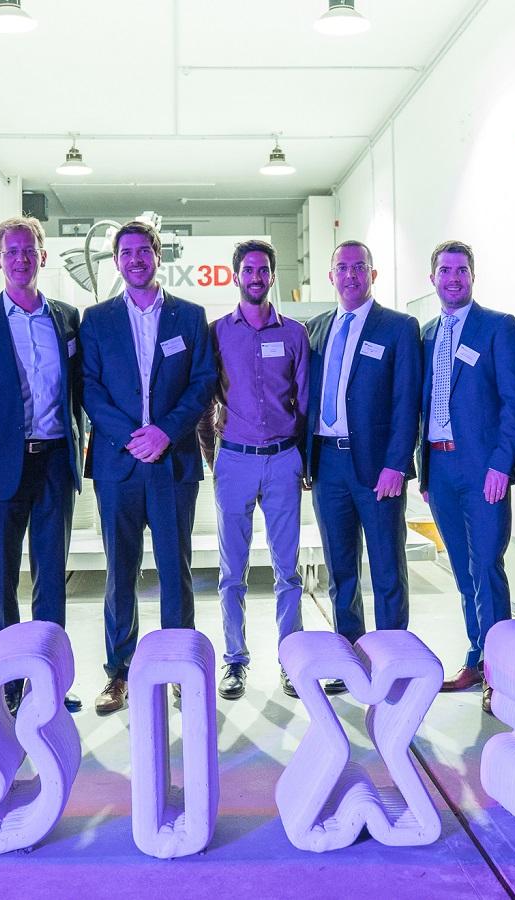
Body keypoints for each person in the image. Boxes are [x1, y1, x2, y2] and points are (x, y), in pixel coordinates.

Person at [80, 220, 217, 715]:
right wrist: (130, 436)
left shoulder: (190, 316)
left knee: (175, 569)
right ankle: (119, 672)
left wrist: (166, 432)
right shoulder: (96, 319)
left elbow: (202, 382)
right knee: (120, 572)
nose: (136, 259)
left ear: (159, 255)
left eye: (144, 250)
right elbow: (89, 387)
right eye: (127, 252)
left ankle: (179, 667)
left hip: (172, 461)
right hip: (118, 464)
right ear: (116, 261)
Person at [0, 216, 83, 713]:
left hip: (54, 461)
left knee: (52, 576)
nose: (20, 258)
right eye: (11, 251)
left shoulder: (67, 317)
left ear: (43, 256)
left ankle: (48, 679)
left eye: (28, 249)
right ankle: (9, 679)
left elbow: (79, 388)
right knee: (1, 579)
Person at [418, 240, 515, 714]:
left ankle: (500, 670)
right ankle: (476, 656)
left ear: (473, 276)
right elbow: (421, 405)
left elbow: (514, 401)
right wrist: (424, 473)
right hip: (439, 467)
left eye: (461, 270)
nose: (453, 278)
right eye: (445, 270)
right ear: (433, 278)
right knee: (462, 571)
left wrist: (502, 464)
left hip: (482, 467)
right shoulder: (425, 334)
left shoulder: (497, 327)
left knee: (486, 566)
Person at [307, 240, 422, 683]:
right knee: (341, 569)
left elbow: (406, 401)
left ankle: (393, 661)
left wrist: (397, 463)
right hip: (327, 465)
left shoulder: (398, 327)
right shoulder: (316, 329)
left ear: (373, 274)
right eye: (342, 267)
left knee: (387, 567)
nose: (350, 274)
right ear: (330, 276)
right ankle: (350, 656)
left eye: (359, 267)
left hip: (378, 468)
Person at [206, 239, 310, 701]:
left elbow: (305, 401)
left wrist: (302, 457)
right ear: (236, 276)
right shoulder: (216, 333)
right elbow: (203, 399)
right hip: (234, 460)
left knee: (288, 570)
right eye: (248, 269)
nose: (255, 277)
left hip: (284, 460)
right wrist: (214, 457)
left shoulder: (294, 334)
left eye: (263, 269)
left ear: (272, 276)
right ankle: (235, 660)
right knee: (232, 571)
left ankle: (291, 660)